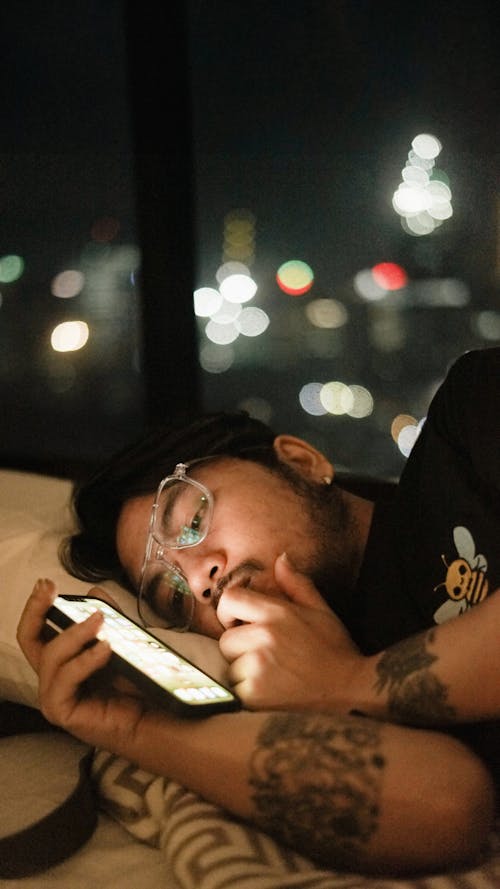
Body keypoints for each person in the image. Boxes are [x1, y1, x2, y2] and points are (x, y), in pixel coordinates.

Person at [17, 346, 499, 876]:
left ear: (300, 460)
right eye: (171, 595)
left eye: (191, 517)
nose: (199, 579)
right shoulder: (290, 694)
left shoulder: (468, 418)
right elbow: (449, 806)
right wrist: (133, 730)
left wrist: (353, 681)